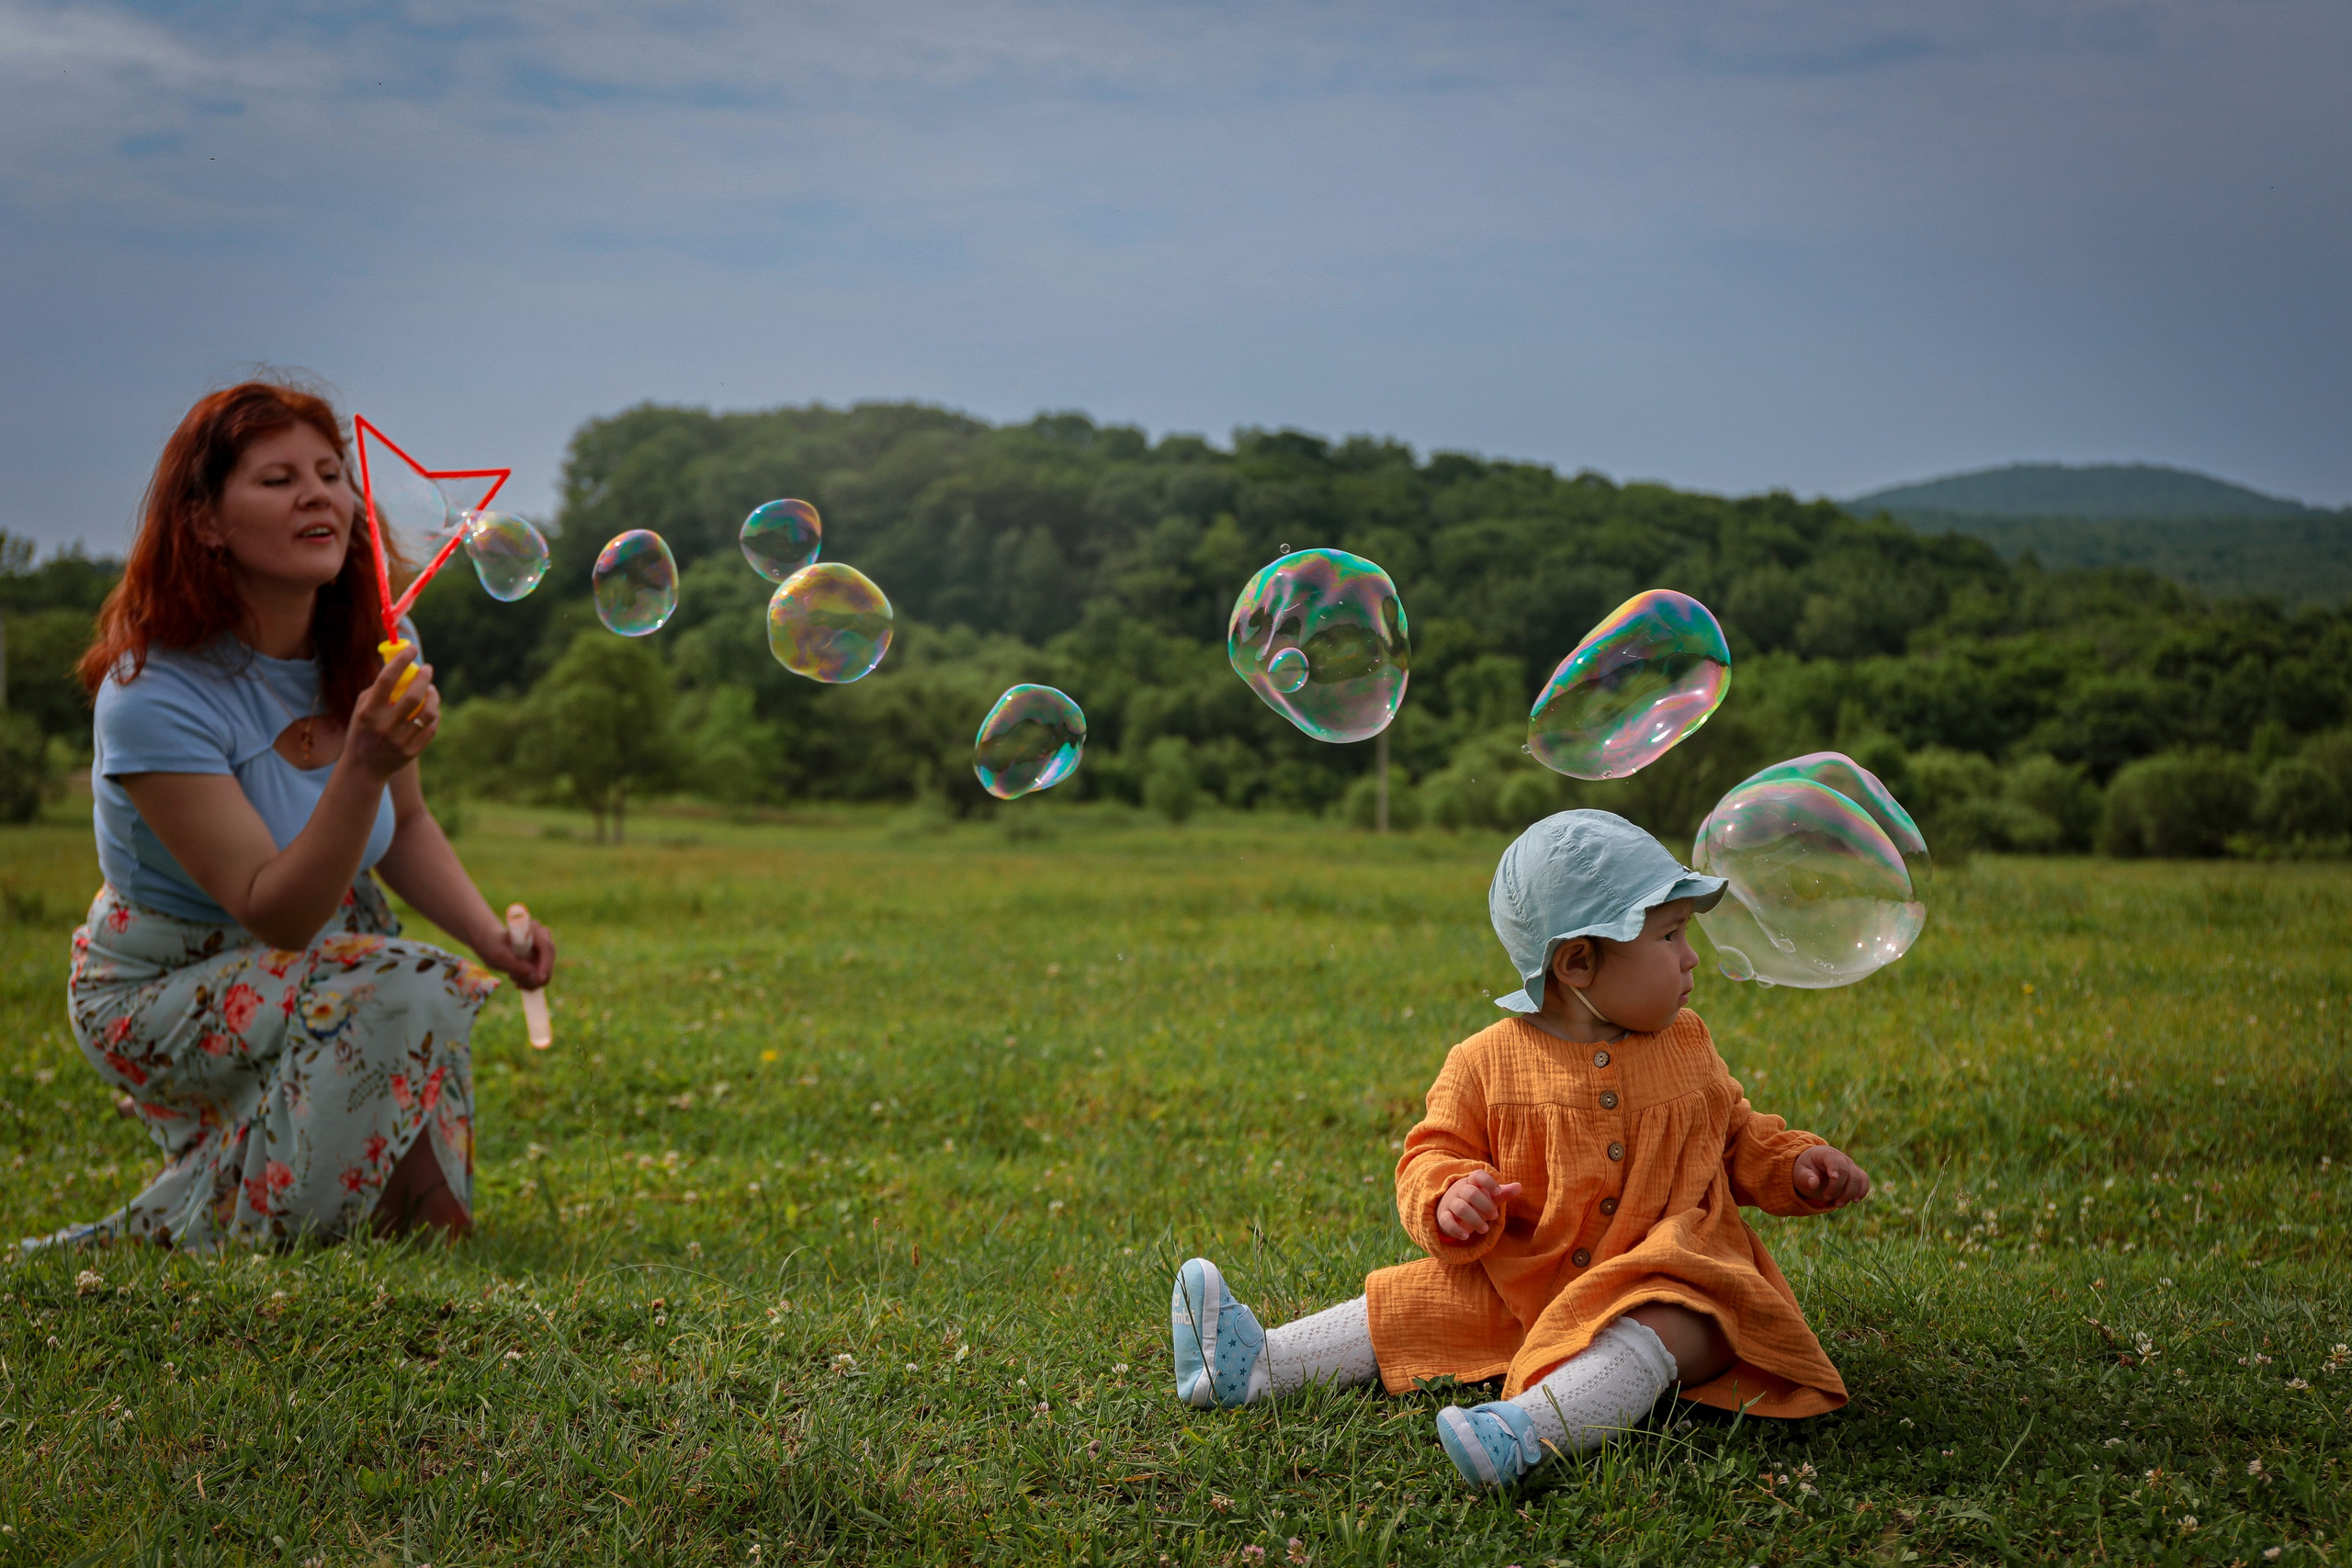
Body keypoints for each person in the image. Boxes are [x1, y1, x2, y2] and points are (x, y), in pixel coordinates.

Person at [1170, 810, 1871, 1489]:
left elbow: (1739, 1135)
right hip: (1530, 1273)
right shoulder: (1483, 1063)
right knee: (1421, 1299)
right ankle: (1256, 1362)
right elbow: (1430, 1155)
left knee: (1677, 1323)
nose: (1691, 957)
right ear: (1577, 962)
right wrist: (1449, 1197)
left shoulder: (1689, 1045)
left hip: (1673, 1273)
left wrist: (1794, 1166)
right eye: (1669, 936)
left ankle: (1527, 1432)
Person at [32, 378, 554, 1253]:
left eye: (330, 473)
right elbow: (274, 910)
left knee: (413, 1219)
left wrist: (486, 936)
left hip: (332, 950)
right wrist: (360, 763)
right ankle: (195, 1239)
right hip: (167, 980)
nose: (320, 493)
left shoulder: (379, 642)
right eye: (277, 480)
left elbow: (410, 826)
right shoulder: (153, 692)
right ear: (204, 521)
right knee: (402, 982)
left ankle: (376, 1219)